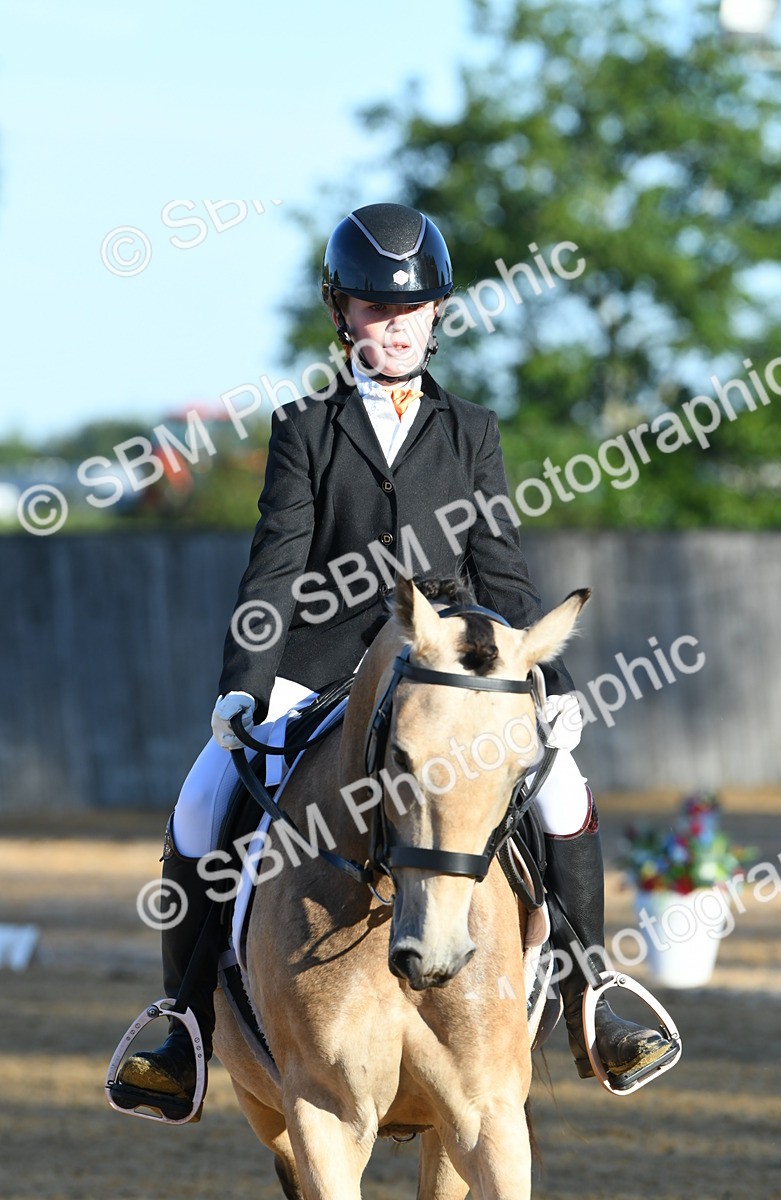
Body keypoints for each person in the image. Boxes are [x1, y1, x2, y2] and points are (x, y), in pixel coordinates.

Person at [114, 202, 678, 1121]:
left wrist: (553, 683)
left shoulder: (471, 432)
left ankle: (591, 991)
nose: (395, 325)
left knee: (563, 789)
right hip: (322, 662)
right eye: (376, 309)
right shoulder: (305, 428)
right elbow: (275, 570)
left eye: (411, 310)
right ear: (342, 313)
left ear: (437, 316)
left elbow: (499, 570)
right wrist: (241, 690)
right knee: (201, 796)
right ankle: (179, 1020)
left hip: (447, 670)